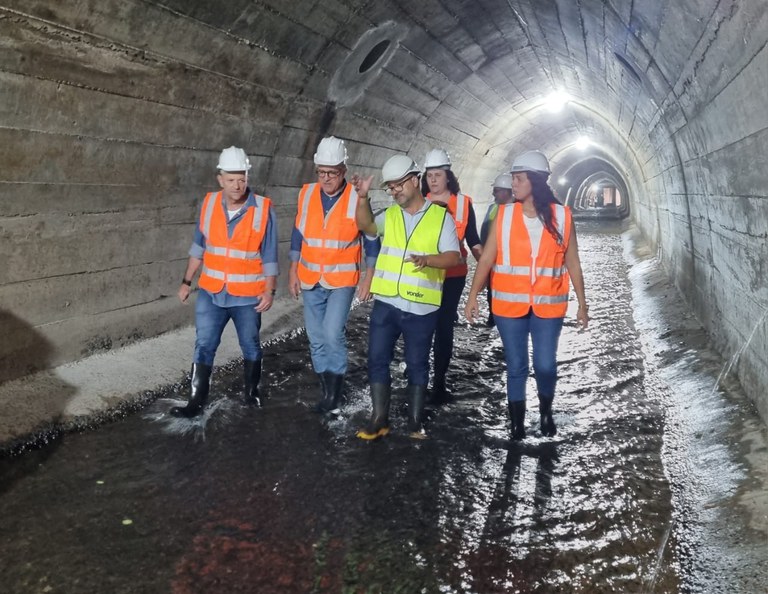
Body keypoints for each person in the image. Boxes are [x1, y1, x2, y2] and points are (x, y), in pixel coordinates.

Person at [464, 150, 588, 440]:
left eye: (518, 179)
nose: (513, 184)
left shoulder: (562, 216)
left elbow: (573, 262)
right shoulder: (504, 215)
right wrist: (472, 296)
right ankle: (517, 426)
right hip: (509, 305)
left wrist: (582, 304)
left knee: (545, 364)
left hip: (548, 305)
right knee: (516, 365)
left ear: (534, 181)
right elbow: (487, 259)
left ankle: (545, 411)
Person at [352, 155, 461, 440]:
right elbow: (366, 227)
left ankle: (415, 421)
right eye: (389, 187)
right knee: (376, 359)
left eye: (398, 185)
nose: (394, 191)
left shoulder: (441, 218)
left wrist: (428, 260)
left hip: (421, 307)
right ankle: (379, 418)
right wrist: (362, 198)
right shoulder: (389, 217)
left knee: (417, 363)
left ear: (415, 181)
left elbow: (453, 257)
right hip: (387, 303)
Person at [170, 146, 278, 417]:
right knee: (204, 344)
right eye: (231, 180)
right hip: (211, 291)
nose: (237, 185)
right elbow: (198, 247)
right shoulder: (208, 204)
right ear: (220, 179)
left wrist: (269, 290)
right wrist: (186, 281)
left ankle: (252, 395)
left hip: (247, 295)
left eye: (242, 178)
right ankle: (196, 402)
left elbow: (270, 255)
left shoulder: (263, 209)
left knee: (250, 344)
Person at [288, 136, 378, 414]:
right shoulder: (306, 194)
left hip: (341, 279)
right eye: (322, 172)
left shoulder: (356, 197)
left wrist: (369, 274)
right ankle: (327, 390)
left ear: (344, 172)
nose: (326, 178)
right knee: (315, 336)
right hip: (310, 275)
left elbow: (371, 237)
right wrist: (293, 269)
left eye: (332, 173)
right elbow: (298, 234)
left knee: (331, 332)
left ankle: (334, 395)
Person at [420, 148, 483, 403]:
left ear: (448, 176)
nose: (433, 179)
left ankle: (439, 380)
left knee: (444, 326)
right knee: (423, 324)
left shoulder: (463, 203)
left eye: (438, 174)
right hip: (423, 274)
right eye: (429, 175)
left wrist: (489, 268)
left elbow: (473, 240)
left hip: (453, 274)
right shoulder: (417, 200)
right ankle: (419, 375)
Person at [480, 173, 515, 327]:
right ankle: (493, 316)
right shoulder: (493, 208)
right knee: (491, 288)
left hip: (510, 259)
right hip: (493, 258)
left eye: (497, 190)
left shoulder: (518, 210)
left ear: (508, 191)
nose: (494, 193)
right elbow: (484, 231)